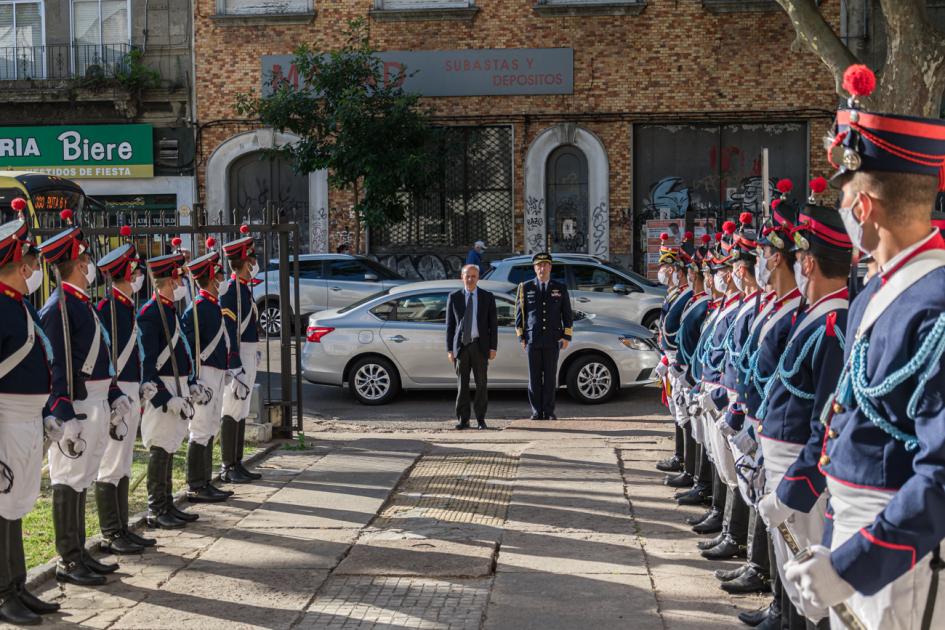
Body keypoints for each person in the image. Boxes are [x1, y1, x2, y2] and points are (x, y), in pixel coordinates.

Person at [784, 64, 945, 630]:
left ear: (862, 209)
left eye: (847, 195)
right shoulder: (880, 290)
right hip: (853, 532)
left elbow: (941, 474)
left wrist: (853, 564)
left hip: (901, 557)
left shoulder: (935, 303)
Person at [754, 177, 852, 629]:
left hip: (799, 473)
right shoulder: (813, 316)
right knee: (795, 585)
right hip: (781, 461)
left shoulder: (833, 324)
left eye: (797, 256)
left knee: (812, 593)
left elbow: (827, 426)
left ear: (808, 262)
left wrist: (794, 490)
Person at [40, 209, 125, 587]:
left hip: (94, 399)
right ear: (77, 264)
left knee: (84, 476)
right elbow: (56, 366)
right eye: (86, 260)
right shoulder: (57, 308)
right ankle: (68, 559)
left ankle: (80, 551)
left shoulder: (79, 303)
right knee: (68, 477)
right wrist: (63, 410)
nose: (90, 266)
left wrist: (112, 394)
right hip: (75, 405)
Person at [0, 209, 60, 624]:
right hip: (3, 416)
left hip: (25, 416)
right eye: (33, 262)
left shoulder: (19, 305)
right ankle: (4, 592)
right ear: (18, 264)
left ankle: (18, 585)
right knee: (2, 504)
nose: (37, 269)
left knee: (18, 503)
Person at [94, 227, 156, 555]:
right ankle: (110, 531)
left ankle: (122, 527)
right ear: (127, 273)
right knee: (111, 460)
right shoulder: (107, 309)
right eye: (137, 271)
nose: (141, 276)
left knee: (124, 460)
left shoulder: (127, 306)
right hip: (116, 389)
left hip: (131, 387)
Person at [138, 247, 201, 530]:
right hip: (163, 387)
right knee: (160, 447)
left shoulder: (167, 310)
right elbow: (147, 363)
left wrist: (189, 384)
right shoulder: (151, 313)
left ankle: (167, 504)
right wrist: (164, 398)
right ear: (170, 281)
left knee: (171, 443)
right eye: (179, 279)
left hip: (176, 384)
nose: (182, 284)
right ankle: (156, 508)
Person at [182, 239, 234, 503]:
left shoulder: (212, 304)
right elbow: (189, 347)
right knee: (200, 428)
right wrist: (192, 380)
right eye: (220, 275)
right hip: (203, 374)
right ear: (212, 278)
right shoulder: (198, 308)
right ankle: (195, 485)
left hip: (215, 371)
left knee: (211, 425)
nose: (223, 278)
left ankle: (206, 481)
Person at [219, 226, 260, 484]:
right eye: (252, 259)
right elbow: (229, 333)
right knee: (232, 409)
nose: (255, 263)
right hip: (238, 355)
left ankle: (237, 461)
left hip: (248, 352)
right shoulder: (231, 291)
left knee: (242, 409)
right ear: (244, 263)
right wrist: (235, 367)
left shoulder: (245, 288)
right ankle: (227, 466)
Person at [515, 252, 572, 421]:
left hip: (553, 338)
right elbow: (520, 314)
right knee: (534, 378)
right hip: (533, 339)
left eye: (545, 265)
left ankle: (549, 411)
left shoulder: (559, 287)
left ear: (550, 267)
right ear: (534, 268)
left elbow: (566, 313)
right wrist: (521, 337)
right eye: (539, 265)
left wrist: (566, 336)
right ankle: (536, 411)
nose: (542, 268)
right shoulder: (525, 287)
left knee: (549, 377)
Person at [445, 264, 498, 430]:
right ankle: (463, 419)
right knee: (463, 384)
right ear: (462, 277)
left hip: (480, 346)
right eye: (467, 276)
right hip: (461, 347)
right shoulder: (454, 297)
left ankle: (481, 419)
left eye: (473, 276)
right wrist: (450, 349)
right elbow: (450, 326)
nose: (470, 279)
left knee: (481, 384)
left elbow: (493, 325)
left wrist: (493, 347)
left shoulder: (487, 297)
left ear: (478, 278)